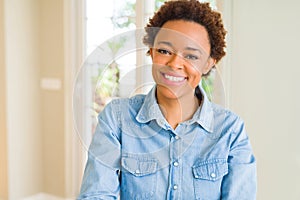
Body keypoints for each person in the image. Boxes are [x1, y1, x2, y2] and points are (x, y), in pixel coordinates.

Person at [77, 0, 257, 199]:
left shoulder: (230, 130)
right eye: (164, 51)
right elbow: (96, 194)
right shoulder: (117, 118)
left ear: (208, 64)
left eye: (191, 55)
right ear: (152, 52)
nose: (175, 63)